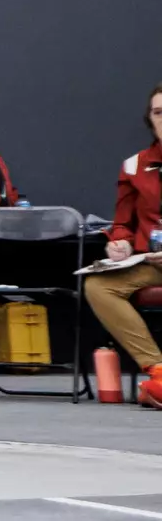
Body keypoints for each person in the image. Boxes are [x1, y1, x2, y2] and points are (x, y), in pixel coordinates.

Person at [84, 81, 162, 408]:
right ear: (150, 119)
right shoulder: (134, 165)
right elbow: (122, 223)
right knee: (99, 286)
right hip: (151, 264)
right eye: (158, 113)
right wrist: (120, 244)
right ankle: (157, 370)